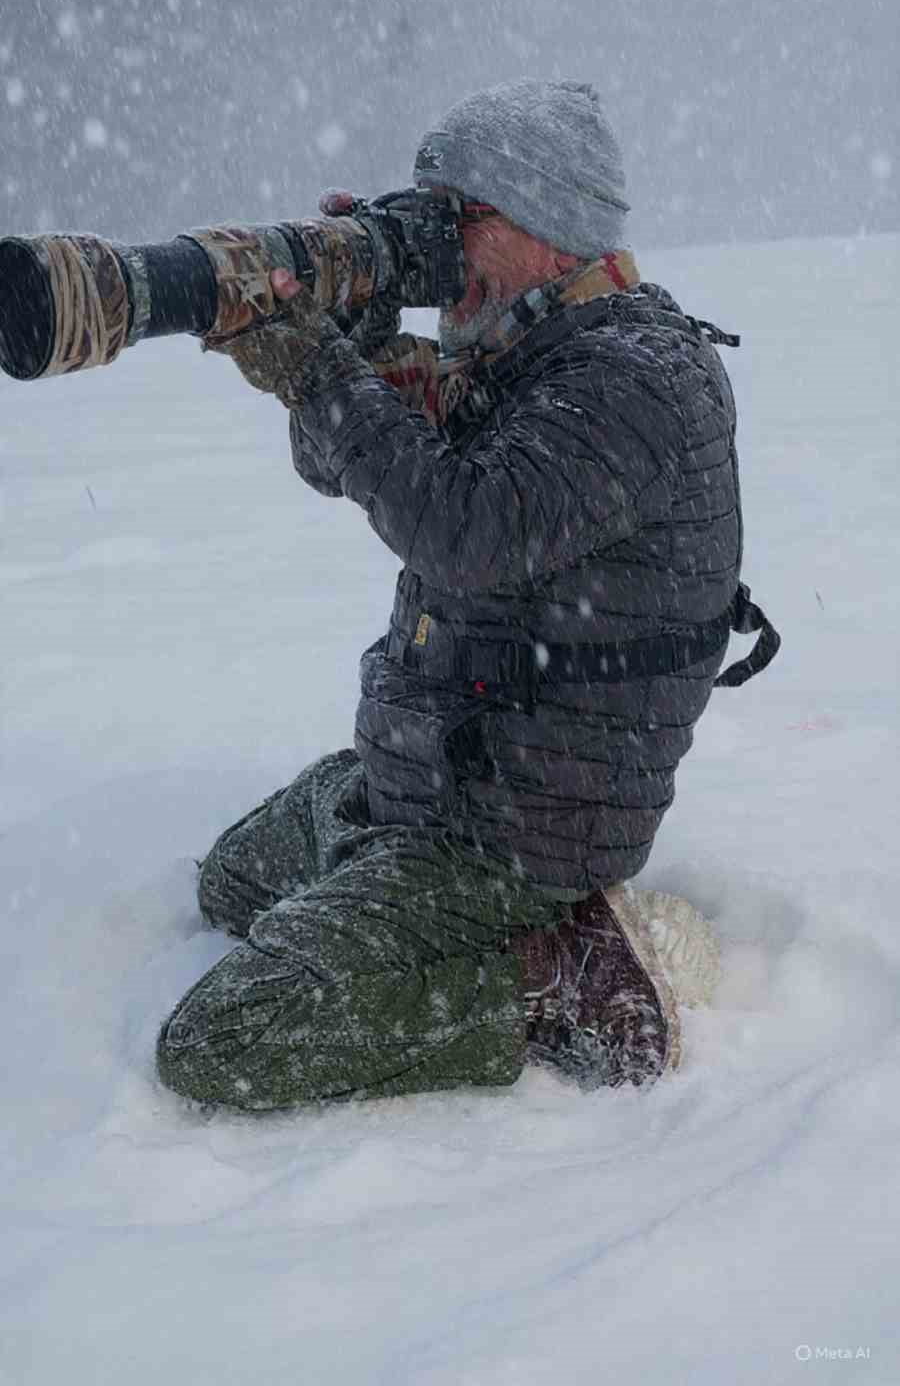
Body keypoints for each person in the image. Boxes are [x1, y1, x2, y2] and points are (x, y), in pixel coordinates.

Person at [156, 78, 775, 1110]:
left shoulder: (633, 378)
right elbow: (343, 465)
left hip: (525, 827)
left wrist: (318, 372)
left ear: (545, 225)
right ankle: (409, 911)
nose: (438, 250)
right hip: (444, 774)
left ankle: (555, 979)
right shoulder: (525, 347)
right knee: (232, 879)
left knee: (222, 1038)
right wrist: (342, 343)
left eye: (461, 221)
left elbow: (463, 531)